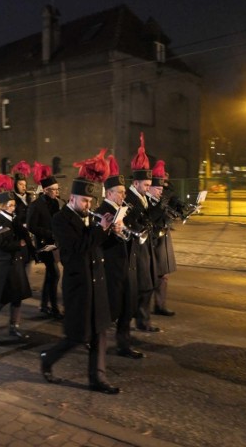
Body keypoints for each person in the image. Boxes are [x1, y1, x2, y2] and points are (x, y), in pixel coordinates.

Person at [40, 173, 120, 394]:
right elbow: (76, 248)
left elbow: (98, 245)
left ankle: (97, 378)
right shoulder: (60, 219)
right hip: (79, 284)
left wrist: (113, 232)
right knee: (78, 335)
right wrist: (99, 229)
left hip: (97, 280)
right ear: (73, 198)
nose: (88, 205)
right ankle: (48, 357)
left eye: (90, 201)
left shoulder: (89, 217)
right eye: (84, 200)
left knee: (100, 331)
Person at [95, 155, 143, 359]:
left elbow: (136, 230)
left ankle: (124, 344)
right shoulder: (101, 211)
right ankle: (96, 344)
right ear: (109, 193)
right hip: (111, 268)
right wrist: (111, 231)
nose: (123, 196)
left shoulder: (125, 210)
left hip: (127, 266)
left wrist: (127, 230)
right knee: (110, 309)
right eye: (120, 192)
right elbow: (97, 241)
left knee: (127, 307)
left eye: (124, 192)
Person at [0, 175, 33, 339]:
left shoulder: (13, 220)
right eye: (11, 205)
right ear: (3, 206)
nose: (14, 207)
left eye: (14, 204)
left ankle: (14, 326)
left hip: (16, 264)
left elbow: (22, 235)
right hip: (3, 265)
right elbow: (2, 244)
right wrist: (19, 244)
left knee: (17, 296)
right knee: (0, 298)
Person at [124, 132, 159, 332]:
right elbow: (128, 221)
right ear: (136, 183)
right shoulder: (129, 197)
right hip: (135, 249)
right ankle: (136, 322)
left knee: (148, 285)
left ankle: (143, 320)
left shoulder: (143, 196)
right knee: (140, 287)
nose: (148, 188)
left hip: (146, 247)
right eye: (146, 185)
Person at [27, 163, 62, 318]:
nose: (56, 192)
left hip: (54, 243)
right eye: (54, 189)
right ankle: (53, 307)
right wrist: (48, 233)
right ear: (46, 190)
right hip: (43, 243)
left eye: (57, 189)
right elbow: (31, 226)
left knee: (51, 274)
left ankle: (44, 304)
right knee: (54, 274)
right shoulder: (36, 205)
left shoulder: (55, 203)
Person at [147, 160, 177, 317]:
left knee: (163, 275)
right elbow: (151, 216)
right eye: (157, 187)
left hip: (163, 238)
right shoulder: (146, 200)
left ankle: (160, 305)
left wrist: (166, 183)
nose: (160, 190)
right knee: (151, 275)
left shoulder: (162, 195)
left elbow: (172, 195)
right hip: (152, 240)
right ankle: (144, 312)